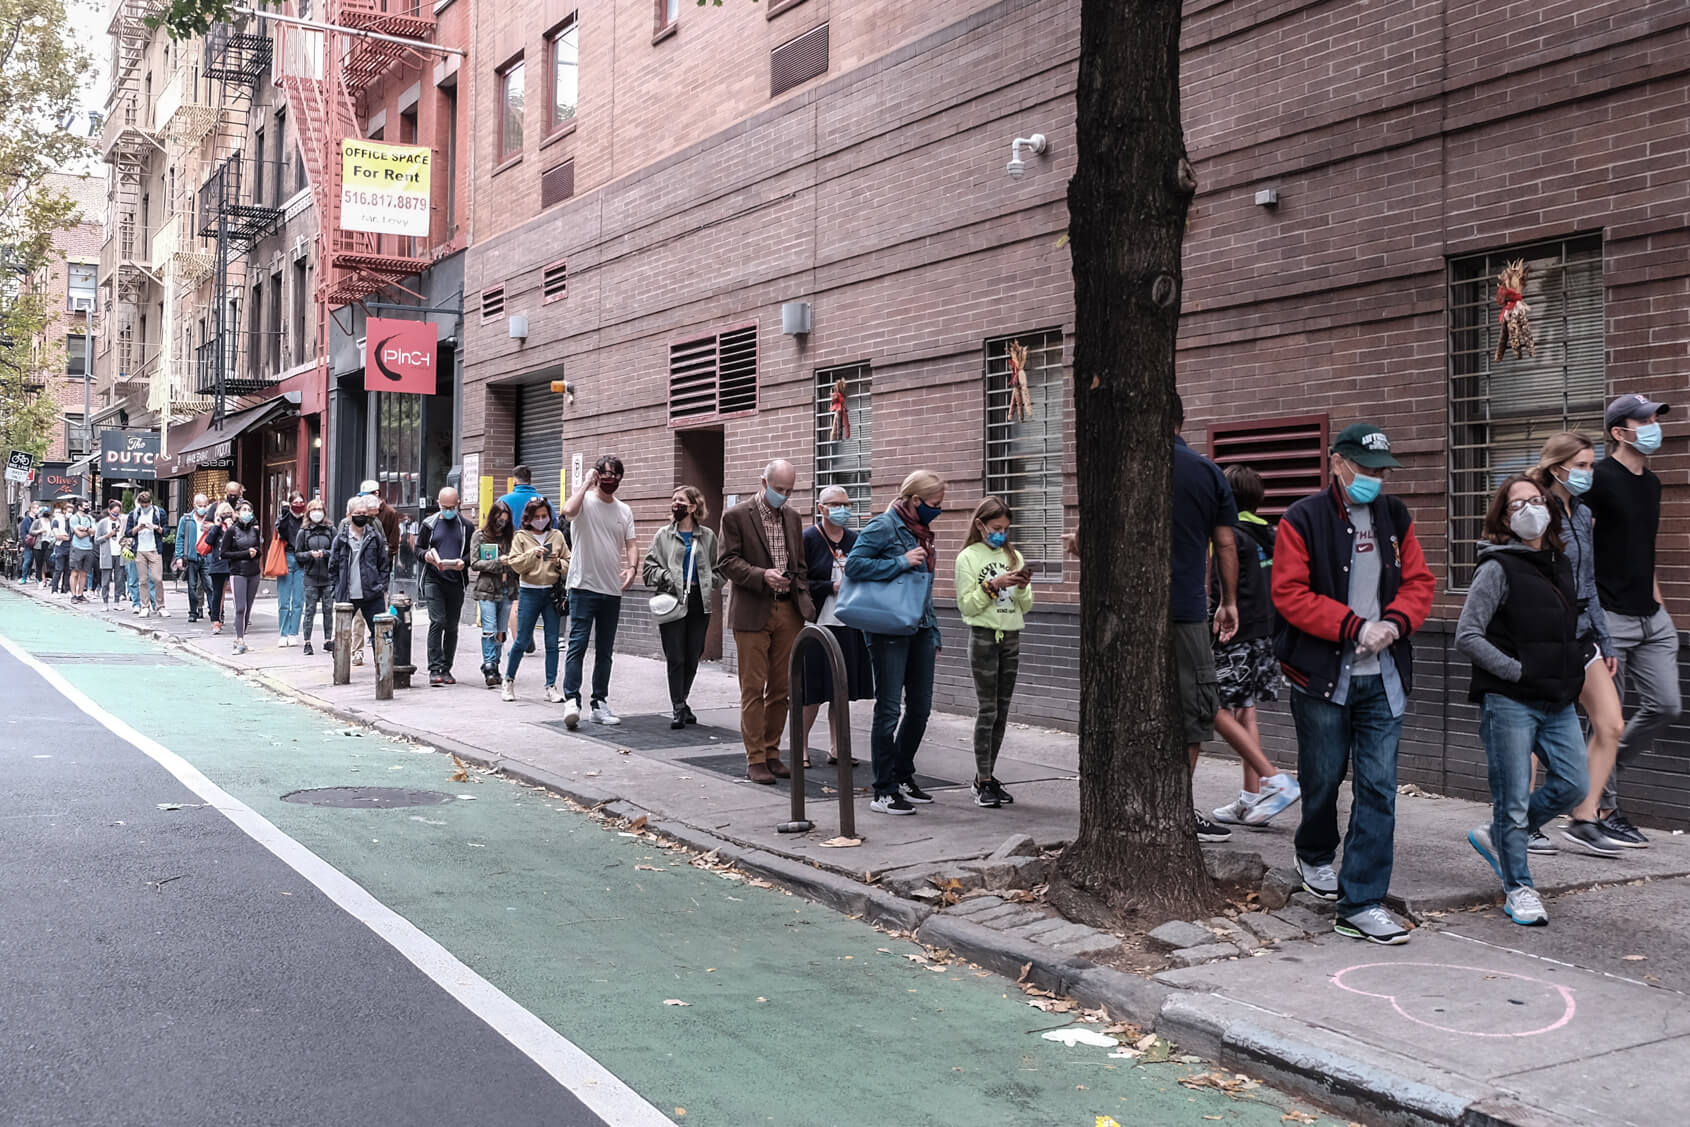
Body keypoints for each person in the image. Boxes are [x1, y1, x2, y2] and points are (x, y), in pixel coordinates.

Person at [1273, 423, 1434, 945]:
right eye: (1365, 468)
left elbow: (1419, 581)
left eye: (1382, 471)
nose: (1375, 478)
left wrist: (1395, 624)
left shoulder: (1395, 516)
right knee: (1322, 778)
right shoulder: (1303, 518)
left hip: (1383, 678)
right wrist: (1354, 626)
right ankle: (1315, 851)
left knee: (1378, 789)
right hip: (1323, 676)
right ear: (1337, 463)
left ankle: (1361, 902)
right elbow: (1290, 593)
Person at [1455, 475, 1590, 928]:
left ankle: (1498, 834)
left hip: (1558, 698)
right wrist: (1517, 671)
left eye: (1536, 500)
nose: (1529, 510)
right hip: (1511, 699)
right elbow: (1467, 635)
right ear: (1503, 518)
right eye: (1517, 505)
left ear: (1549, 508)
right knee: (1512, 800)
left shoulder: (1559, 564)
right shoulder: (1497, 567)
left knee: (1574, 785)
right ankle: (1518, 888)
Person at [1584, 393, 1677, 848]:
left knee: (1666, 705)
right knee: (1608, 719)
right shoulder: (1598, 479)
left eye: (1655, 418)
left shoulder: (1652, 483)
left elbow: (1643, 550)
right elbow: (1580, 547)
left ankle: (1595, 774)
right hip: (1609, 615)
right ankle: (1602, 809)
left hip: (1651, 616)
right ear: (1619, 432)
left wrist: (1660, 606)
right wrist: (1589, 615)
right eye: (1645, 420)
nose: (1654, 426)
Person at [1528, 433, 1627, 857]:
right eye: (1582, 465)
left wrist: (1605, 639)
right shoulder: (1536, 512)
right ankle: (1520, 821)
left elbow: (1588, 581)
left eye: (1591, 465)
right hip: (1546, 636)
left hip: (1585, 634)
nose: (1589, 473)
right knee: (1533, 733)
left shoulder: (1583, 513)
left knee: (1611, 724)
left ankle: (1584, 817)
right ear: (1557, 468)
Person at [1166, 395, 1245, 843]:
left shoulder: (1116, 469)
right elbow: (1226, 544)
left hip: (1124, 616)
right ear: (1181, 420)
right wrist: (1227, 600)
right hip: (1185, 610)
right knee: (1194, 709)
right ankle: (1176, 810)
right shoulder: (1206, 471)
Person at [846, 469, 948, 815]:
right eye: (934, 503)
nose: (938, 510)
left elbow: (925, 590)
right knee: (889, 708)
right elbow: (854, 566)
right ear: (915, 500)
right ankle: (884, 790)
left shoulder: (923, 533)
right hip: (888, 628)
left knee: (920, 707)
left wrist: (934, 632)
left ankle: (903, 774)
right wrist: (900, 562)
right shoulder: (884, 526)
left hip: (920, 627)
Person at [1208, 465, 1302, 828]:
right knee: (1245, 711)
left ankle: (1272, 779)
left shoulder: (1227, 535)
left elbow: (1220, 589)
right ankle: (1249, 799)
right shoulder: (1272, 534)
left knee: (1211, 705)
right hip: (1266, 636)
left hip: (1234, 635)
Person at [720, 460, 814, 783]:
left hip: (789, 609)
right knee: (752, 688)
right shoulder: (736, 516)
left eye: (789, 490)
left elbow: (800, 563)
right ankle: (756, 758)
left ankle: (773, 752)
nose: (784, 496)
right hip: (753, 609)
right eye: (778, 489)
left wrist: (802, 594)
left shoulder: (793, 517)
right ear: (764, 483)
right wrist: (762, 575)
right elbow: (726, 562)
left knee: (781, 688)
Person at [954, 496, 1033, 808]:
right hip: (984, 635)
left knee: (1002, 709)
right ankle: (983, 780)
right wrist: (993, 585)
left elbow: (1026, 605)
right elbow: (967, 605)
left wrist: (1022, 586)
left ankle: (987, 775)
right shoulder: (968, 557)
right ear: (980, 525)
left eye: (1005, 529)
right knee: (987, 709)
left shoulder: (1014, 555)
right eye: (996, 528)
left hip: (1011, 635)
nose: (1001, 534)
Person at [559, 455, 638, 727]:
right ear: (596, 475)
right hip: (582, 586)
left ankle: (599, 703)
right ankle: (571, 699)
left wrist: (632, 568)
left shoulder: (624, 510)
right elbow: (568, 510)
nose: (610, 479)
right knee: (577, 645)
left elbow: (631, 543)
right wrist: (585, 484)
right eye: (605, 474)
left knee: (605, 651)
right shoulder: (585, 502)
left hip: (611, 589)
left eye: (615, 475)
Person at [799, 486, 874, 767]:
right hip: (818, 623)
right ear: (821, 508)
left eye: (846, 504)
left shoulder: (855, 539)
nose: (842, 509)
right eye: (835, 504)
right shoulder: (809, 538)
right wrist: (830, 586)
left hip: (849, 622)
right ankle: (802, 747)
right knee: (813, 691)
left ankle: (837, 747)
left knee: (841, 690)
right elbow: (800, 581)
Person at [644, 486, 720, 730]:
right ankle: (678, 706)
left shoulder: (707, 536)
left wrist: (710, 581)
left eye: (681, 500)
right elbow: (648, 569)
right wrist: (667, 577)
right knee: (675, 656)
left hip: (699, 600)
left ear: (693, 507)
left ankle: (682, 700)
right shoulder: (663, 535)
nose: (675, 504)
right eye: (673, 499)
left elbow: (719, 567)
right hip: (673, 599)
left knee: (693, 655)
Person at [503, 496, 569, 701]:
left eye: (544, 516)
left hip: (551, 593)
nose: (541, 520)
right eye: (537, 517)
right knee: (522, 640)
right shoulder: (521, 537)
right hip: (529, 592)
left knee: (552, 642)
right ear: (528, 518)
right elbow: (515, 565)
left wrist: (557, 562)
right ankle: (508, 680)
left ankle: (551, 686)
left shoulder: (556, 535)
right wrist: (533, 554)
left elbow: (569, 563)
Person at [416, 486, 472, 686]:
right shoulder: (429, 524)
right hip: (434, 579)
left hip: (456, 580)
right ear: (438, 504)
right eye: (444, 507)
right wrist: (426, 556)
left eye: (452, 507)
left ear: (458, 504)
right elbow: (418, 549)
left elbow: (473, 552)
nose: (448, 510)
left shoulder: (466, 526)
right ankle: (434, 668)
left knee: (451, 626)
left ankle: (446, 668)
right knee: (437, 621)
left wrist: (464, 562)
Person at [330, 495, 391, 665]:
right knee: (341, 635)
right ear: (349, 515)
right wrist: (336, 590)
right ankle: (340, 669)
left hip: (372, 594)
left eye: (364, 513)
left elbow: (383, 564)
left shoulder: (375, 537)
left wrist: (381, 586)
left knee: (381, 634)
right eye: (358, 513)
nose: (361, 516)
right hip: (347, 595)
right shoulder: (340, 539)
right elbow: (333, 567)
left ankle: (384, 670)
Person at [470, 500, 520, 688]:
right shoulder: (480, 536)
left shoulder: (512, 537)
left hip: (508, 588)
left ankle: (495, 664)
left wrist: (514, 562)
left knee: (501, 630)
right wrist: (498, 562)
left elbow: (519, 561)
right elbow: (475, 563)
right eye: (499, 520)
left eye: (505, 521)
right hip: (487, 589)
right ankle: (490, 665)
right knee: (489, 628)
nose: (502, 524)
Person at [221, 499, 264, 654]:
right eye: (244, 510)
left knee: (248, 607)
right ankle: (239, 639)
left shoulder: (255, 530)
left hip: (254, 572)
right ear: (237, 513)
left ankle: (242, 638)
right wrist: (246, 553)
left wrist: (255, 552)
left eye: (249, 510)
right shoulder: (232, 531)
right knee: (240, 607)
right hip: (238, 572)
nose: (247, 513)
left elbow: (259, 550)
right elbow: (224, 553)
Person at [295, 499, 336, 656]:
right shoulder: (304, 532)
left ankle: (327, 640)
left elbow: (337, 551)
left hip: (327, 577)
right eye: (314, 509)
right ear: (308, 513)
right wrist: (309, 555)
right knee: (310, 610)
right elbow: (298, 554)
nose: (317, 512)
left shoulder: (331, 530)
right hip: (311, 577)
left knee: (328, 609)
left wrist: (325, 553)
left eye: (319, 509)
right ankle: (307, 642)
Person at [125, 489, 169, 617]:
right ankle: (144, 606)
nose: (145, 507)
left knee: (157, 578)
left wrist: (156, 527)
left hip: (155, 549)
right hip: (140, 549)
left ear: (151, 502)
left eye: (147, 505)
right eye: (142, 505)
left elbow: (166, 531)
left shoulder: (159, 512)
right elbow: (128, 532)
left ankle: (160, 606)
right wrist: (138, 528)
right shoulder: (134, 513)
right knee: (142, 580)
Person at [173, 494, 214, 622]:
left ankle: (214, 612)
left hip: (207, 556)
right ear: (194, 505)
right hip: (192, 556)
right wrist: (179, 557)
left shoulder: (211, 519)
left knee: (209, 586)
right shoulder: (186, 519)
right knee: (192, 586)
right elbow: (180, 538)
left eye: (205, 505)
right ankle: (193, 612)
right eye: (200, 505)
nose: (202, 508)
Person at [275, 490, 307, 647]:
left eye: (301, 502)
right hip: (286, 557)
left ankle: (293, 633)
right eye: (295, 503)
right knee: (284, 600)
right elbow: (281, 531)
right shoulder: (285, 517)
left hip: (302, 559)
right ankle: (283, 633)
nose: (298, 505)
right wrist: (285, 513)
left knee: (299, 600)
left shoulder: (307, 519)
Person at [204, 503, 234, 633]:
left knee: (237, 593)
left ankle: (241, 619)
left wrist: (231, 527)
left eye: (228, 513)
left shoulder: (235, 527)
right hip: (218, 564)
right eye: (223, 514)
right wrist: (216, 526)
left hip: (233, 563)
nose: (226, 516)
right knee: (217, 593)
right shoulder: (216, 528)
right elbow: (209, 541)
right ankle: (215, 620)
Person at [68, 500, 96, 603]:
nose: (87, 507)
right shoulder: (74, 518)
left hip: (89, 547)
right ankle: (73, 595)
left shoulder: (90, 518)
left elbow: (95, 531)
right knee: (75, 572)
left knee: (84, 573)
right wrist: (89, 531)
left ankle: (80, 594)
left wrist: (85, 529)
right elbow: (78, 534)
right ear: (79, 507)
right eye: (85, 506)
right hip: (77, 547)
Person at [96, 499, 123, 606]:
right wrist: (107, 535)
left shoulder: (122, 522)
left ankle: (117, 601)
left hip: (119, 553)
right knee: (106, 580)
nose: (115, 515)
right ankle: (105, 602)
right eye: (114, 513)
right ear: (109, 511)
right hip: (107, 554)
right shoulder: (103, 523)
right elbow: (96, 540)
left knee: (119, 580)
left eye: (118, 513)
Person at [50, 504, 71, 595]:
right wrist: (68, 538)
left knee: (68, 570)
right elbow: (57, 536)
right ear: (64, 511)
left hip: (70, 547)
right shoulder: (57, 520)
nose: (70, 513)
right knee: (58, 569)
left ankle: (66, 589)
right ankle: (54, 590)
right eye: (68, 511)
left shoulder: (72, 520)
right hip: (60, 547)